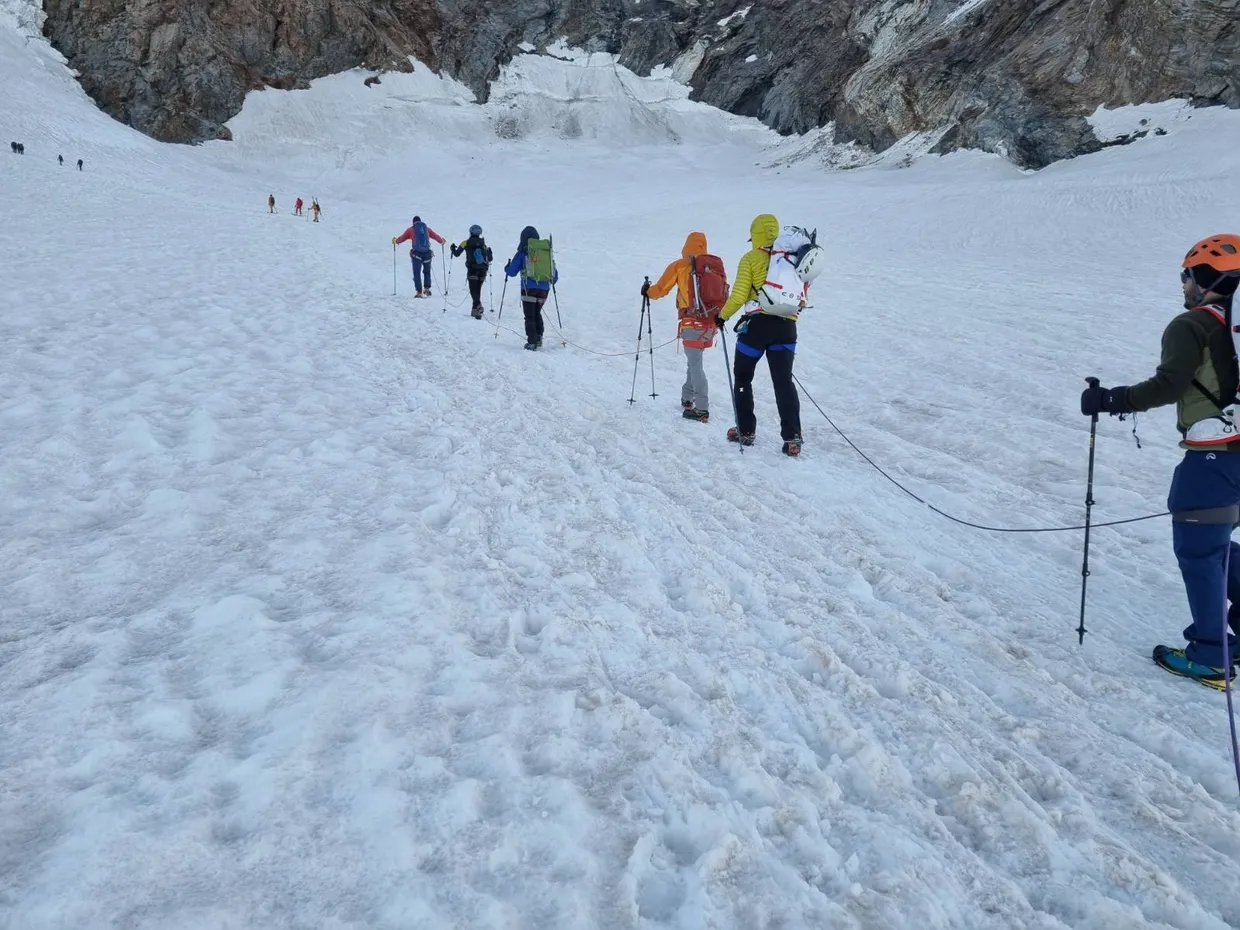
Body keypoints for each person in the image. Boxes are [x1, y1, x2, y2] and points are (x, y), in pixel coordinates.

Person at [1083, 235, 1240, 688]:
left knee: (1200, 551)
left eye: (1187, 276)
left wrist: (1110, 399)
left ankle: (1211, 657)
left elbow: (1169, 384)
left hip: (1214, 458)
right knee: (1218, 546)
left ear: (1205, 278)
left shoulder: (1193, 324)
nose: (1184, 285)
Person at [717, 213, 803, 455]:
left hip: (756, 327)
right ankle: (793, 437)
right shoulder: (792, 258)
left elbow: (739, 295)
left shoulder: (751, 258)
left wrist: (722, 316)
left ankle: (745, 431)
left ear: (754, 235)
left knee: (743, 377)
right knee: (783, 382)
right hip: (786, 327)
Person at [644, 232, 728, 422]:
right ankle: (687, 397)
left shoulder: (681, 265)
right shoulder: (713, 266)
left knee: (696, 365)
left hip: (692, 322)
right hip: (710, 323)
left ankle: (702, 409)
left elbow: (660, 290)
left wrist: (647, 291)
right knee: (694, 361)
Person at [505, 226, 558, 350]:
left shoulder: (523, 252)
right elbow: (554, 276)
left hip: (528, 288)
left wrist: (506, 268)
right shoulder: (545, 251)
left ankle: (532, 342)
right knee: (536, 312)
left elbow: (512, 272)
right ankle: (539, 337)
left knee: (530, 316)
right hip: (544, 289)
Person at [393, 215, 445, 297]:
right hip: (427, 254)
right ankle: (427, 289)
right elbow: (436, 236)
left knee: (417, 273)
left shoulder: (411, 230)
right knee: (427, 271)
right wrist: (442, 241)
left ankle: (419, 292)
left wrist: (396, 241)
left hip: (416, 255)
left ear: (413, 223)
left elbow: (402, 238)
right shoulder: (426, 229)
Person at [450, 224, 493, 319]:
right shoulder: (483, 244)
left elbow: (456, 254)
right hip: (483, 270)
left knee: (474, 290)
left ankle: (478, 306)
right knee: (477, 290)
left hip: (472, 269)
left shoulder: (465, 242)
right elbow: (490, 259)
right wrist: (490, 252)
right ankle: (475, 311)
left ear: (470, 232)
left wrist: (452, 248)